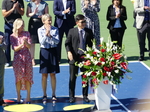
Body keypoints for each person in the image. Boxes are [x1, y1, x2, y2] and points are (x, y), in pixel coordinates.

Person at [65, 14, 94, 103]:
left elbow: (91, 44)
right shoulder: (71, 31)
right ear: (77, 23)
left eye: (85, 21)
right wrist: (69, 52)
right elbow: (67, 43)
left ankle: (85, 95)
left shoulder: (89, 31)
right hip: (74, 57)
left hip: (85, 58)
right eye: (82, 22)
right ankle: (71, 96)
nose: (84, 23)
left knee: (85, 78)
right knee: (72, 78)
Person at [38, 14, 60, 103]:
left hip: (53, 51)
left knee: (53, 74)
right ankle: (44, 94)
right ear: (43, 21)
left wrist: (51, 35)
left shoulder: (55, 29)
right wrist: (46, 34)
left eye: (50, 20)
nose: (50, 22)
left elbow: (57, 41)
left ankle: (54, 94)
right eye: (48, 20)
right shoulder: (40, 30)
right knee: (44, 74)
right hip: (44, 52)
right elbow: (41, 42)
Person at [10, 18, 33, 104]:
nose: (23, 27)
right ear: (17, 26)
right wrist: (22, 45)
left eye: (23, 25)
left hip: (27, 58)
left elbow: (29, 46)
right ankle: (18, 97)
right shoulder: (12, 36)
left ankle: (28, 97)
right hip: (18, 59)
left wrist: (26, 43)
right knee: (18, 78)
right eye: (21, 25)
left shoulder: (27, 33)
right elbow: (15, 48)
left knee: (28, 77)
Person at [2, 0, 24, 67]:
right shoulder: (5, 1)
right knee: (8, 43)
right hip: (8, 24)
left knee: (19, 42)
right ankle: (7, 60)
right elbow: (4, 14)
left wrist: (17, 8)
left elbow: (22, 13)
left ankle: (20, 60)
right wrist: (13, 9)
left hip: (18, 25)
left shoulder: (20, 1)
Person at [26, 0, 49, 66]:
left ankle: (43, 58)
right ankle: (32, 59)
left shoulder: (45, 4)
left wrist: (42, 16)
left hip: (42, 23)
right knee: (32, 42)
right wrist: (33, 13)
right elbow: (28, 14)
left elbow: (47, 14)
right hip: (33, 23)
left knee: (42, 41)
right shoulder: (30, 4)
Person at [0, 32, 8, 106]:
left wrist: (1, 43)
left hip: (1, 61)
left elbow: (5, 47)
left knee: (0, 81)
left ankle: (0, 99)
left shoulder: (1, 35)